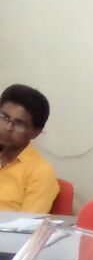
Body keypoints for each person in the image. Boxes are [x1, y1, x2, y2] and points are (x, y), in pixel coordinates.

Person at [0, 85, 58, 214]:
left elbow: (28, 224)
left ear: (35, 132)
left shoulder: (40, 173)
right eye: (4, 117)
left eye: (19, 123)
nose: (8, 127)